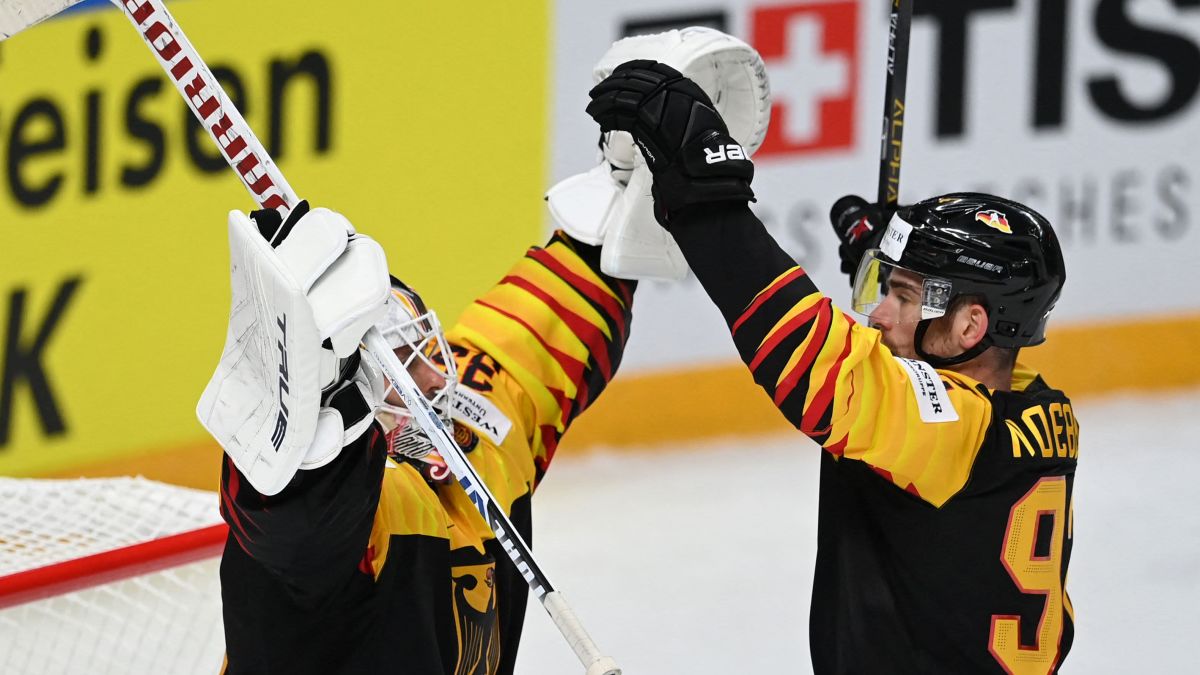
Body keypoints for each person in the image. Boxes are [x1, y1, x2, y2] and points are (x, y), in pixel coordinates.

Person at [586, 61, 1077, 673]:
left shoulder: (947, 433)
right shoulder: (1039, 409)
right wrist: (892, 269)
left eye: (901, 297)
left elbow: (812, 358)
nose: (877, 315)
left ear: (972, 326)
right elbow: (920, 380)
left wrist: (704, 198)